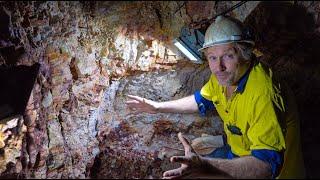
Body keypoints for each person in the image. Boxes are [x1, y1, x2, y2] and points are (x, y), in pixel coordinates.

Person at [126, 15, 305, 179]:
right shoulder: (224, 77)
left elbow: (266, 166)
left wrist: (206, 166)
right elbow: (201, 100)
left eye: (228, 56)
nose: (219, 67)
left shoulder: (263, 93)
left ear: (245, 54)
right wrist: (157, 107)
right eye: (212, 57)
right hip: (238, 153)